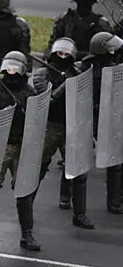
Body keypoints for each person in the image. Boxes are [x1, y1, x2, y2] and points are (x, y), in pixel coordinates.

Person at [33, 37, 95, 229]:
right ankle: (27, 209)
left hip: (72, 124)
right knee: (38, 168)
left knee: (77, 169)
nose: (62, 57)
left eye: (66, 54)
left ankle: (79, 213)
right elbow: (47, 100)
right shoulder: (42, 73)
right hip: (50, 125)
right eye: (59, 54)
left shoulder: (77, 73)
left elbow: (85, 101)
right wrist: (65, 85)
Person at [0, 51, 42, 251]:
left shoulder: (30, 93)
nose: (11, 72)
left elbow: (38, 121)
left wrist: (26, 113)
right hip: (1, 146)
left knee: (24, 192)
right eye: (8, 69)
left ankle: (27, 234)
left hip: (21, 146)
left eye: (14, 69)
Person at [79, 31, 123, 214]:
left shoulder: (114, 67)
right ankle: (68, 199)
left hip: (109, 115)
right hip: (92, 116)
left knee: (116, 161)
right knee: (78, 160)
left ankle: (115, 200)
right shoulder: (86, 68)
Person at [46, 0, 111, 60]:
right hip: (65, 60)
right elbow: (54, 42)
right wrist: (48, 59)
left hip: (91, 63)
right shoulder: (65, 18)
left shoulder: (101, 23)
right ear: (76, 0)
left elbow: (108, 48)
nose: (86, 1)